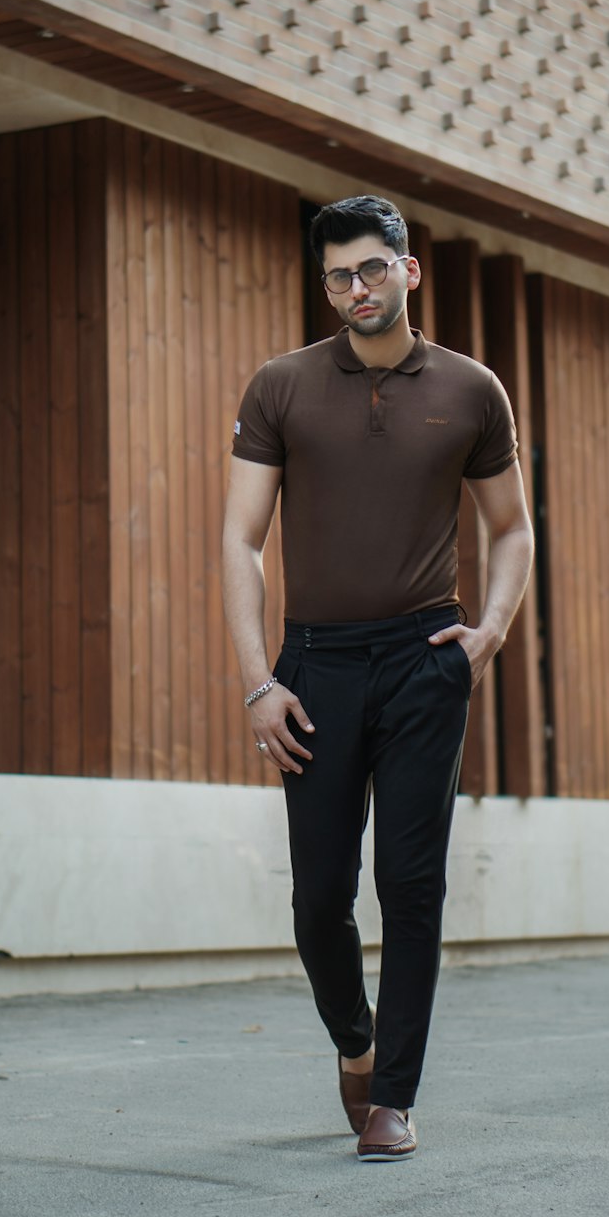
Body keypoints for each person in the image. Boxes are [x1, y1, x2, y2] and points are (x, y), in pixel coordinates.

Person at [221, 195, 534, 1161]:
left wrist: (488, 632)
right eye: (337, 276)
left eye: (371, 270)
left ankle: (393, 1095)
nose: (355, 290)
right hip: (313, 664)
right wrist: (258, 684)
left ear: (409, 269)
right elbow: (240, 539)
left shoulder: (473, 390)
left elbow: (512, 527)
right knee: (320, 895)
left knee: (410, 886)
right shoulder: (281, 387)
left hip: (424, 658)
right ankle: (355, 1043)